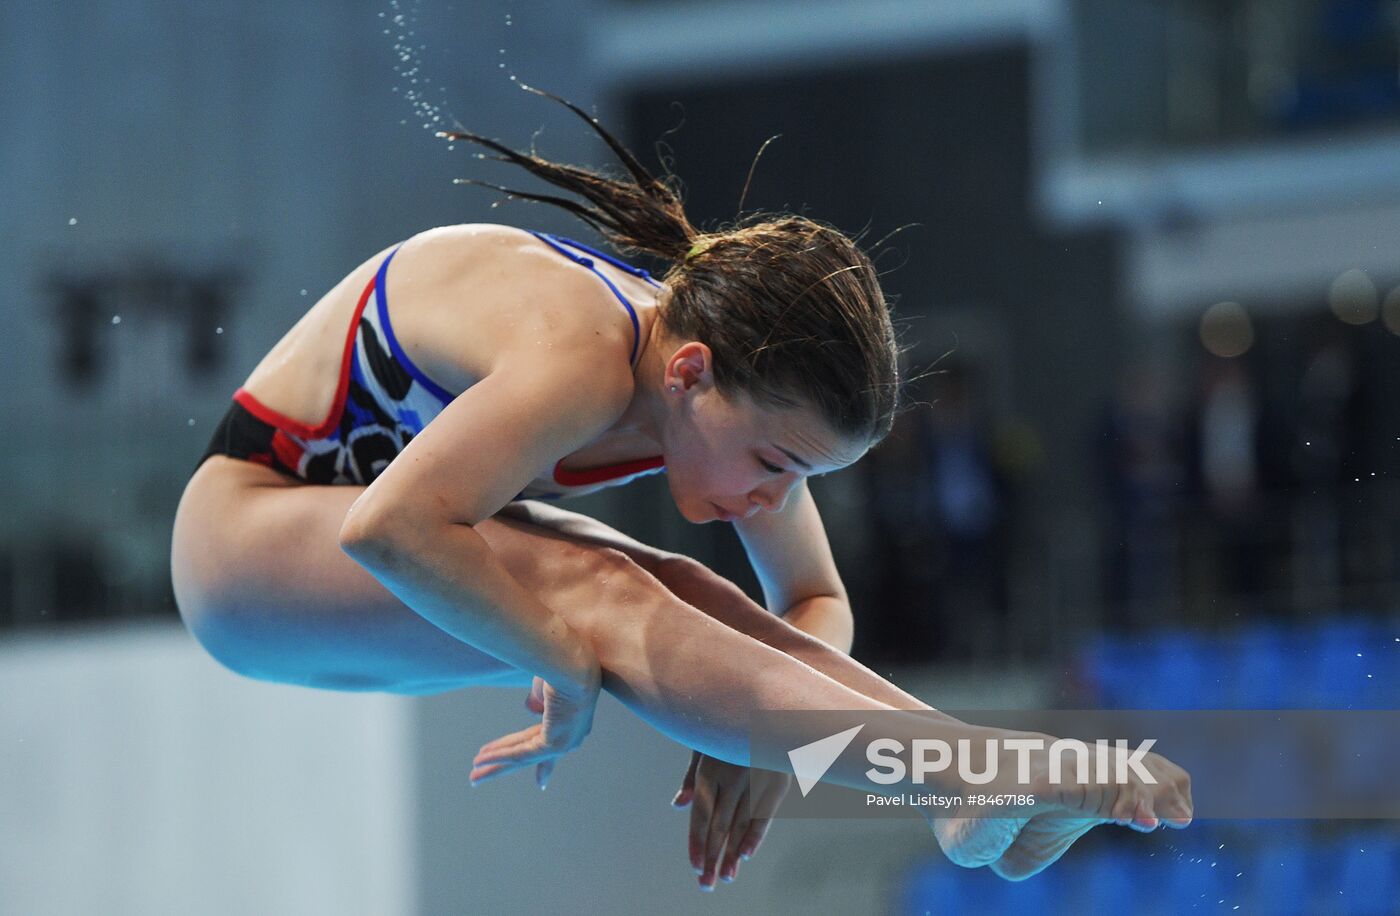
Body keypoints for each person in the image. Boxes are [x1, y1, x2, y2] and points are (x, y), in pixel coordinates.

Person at [170, 87, 1190, 890]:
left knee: (658, 580)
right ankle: (948, 777)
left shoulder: (717, 386)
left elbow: (814, 602)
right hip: (243, 544)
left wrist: (764, 740)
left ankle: (954, 776)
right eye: (774, 467)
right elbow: (388, 526)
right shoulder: (579, 355)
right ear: (691, 373)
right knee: (599, 589)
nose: (769, 500)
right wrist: (561, 663)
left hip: (347, 556)